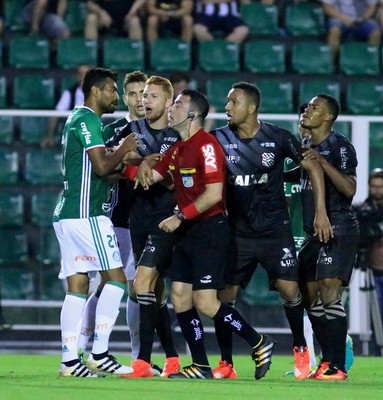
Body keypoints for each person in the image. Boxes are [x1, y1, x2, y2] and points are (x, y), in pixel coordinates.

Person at [136, 88, 276, 380]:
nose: (171, 108)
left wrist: (178, 217)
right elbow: (153, 177)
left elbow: (214, 194)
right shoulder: (177, 147)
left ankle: (259, 342)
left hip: (210, 231)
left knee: (206, 302)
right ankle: (200, 364)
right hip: (187, 231)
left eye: (177, 103)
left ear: (192, 113)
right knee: (179, 296)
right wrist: (129, 161)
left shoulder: (207, 145)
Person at [210, 83, 332, 381]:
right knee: (224, 296)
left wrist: (320, 211)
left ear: (251, 108)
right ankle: (226, 363)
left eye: (233, 102)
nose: (227, 107)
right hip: (236, 232)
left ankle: (301, 349)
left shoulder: (278, 137)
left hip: (274, 232)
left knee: (291, 291)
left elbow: (313, 167)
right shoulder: (218, 139)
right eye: (227, 102)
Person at [53, 67, 137, 378]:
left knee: (77, 287)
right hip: (86, 214)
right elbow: (102, 167)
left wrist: (132, 165)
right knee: (116, 280)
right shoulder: (87, 118)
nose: (116, 96)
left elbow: (97, 169)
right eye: (113, 90)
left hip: (67, 215)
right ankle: (99, 353)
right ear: (96, 91)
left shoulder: (79, 119)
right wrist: (125, 149)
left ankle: (68, 361)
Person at [106, 76, 181, 379]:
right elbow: (111, 162)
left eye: (152, 96)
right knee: (154, 291)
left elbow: (177, 175)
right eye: (143, 96)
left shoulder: (177, 135)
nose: (145, 101)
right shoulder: (131, 131)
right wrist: (140, 163)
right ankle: (173, 359)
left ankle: (142, 362)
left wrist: (150, 166)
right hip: (137, 217)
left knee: (142, 283)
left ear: (167, 102)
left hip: (165, 220)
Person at [299, 94, 359, 381]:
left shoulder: (340, 147)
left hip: (339, 226)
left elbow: (349, 188)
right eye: (308, 106)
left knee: (328, 291)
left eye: (314, 108)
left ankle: (337, 367)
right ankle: (327, 359)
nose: (307, 110)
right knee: (309, 294)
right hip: (314, 232)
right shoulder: (307, 145)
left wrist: (323, 162)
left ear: (328, 118)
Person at [353, 168, 383, 356]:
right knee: (375, 318)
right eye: (374, 186)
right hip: (371, 269)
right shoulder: (361, 210)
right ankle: (376, 354)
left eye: (381, 186)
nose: (377, 190)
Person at [42, 64, 92, 149]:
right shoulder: (69, 94)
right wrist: (50, 136)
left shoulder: (101, 94)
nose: (84, 77)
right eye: (81, 74)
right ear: (76, 77)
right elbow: (55, 115)